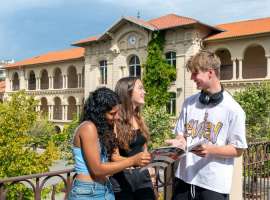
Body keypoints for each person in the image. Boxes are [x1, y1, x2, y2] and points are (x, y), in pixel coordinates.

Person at [166, 50, 247, 200]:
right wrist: (179, 141)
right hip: (183, 180)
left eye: (195, 73)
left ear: (210, 73)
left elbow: (238, 149)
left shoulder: (234, 109)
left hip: (213, 185)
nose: (192, 78)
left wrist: (210, 149)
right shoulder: (189, 103)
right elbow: (180, 133)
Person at [68, 87, 151, 200]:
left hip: (104, 189)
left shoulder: (100, 129)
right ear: (99, 112)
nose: (117, 117)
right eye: (112, 113)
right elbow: (97, 170)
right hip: (87, 192)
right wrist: (132, 160)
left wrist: (142, 160)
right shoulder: (88, 127)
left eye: (117, 112)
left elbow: (111, 158)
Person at [110, 77, 156, 200]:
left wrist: (150, 169)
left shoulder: (138, 117)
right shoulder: (115, 120)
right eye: (140, 88)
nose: (144, 92)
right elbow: (113, 156)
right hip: (122, 180)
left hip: (143, 177)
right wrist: (133, 160)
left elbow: (144, 148)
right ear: (128, 92)